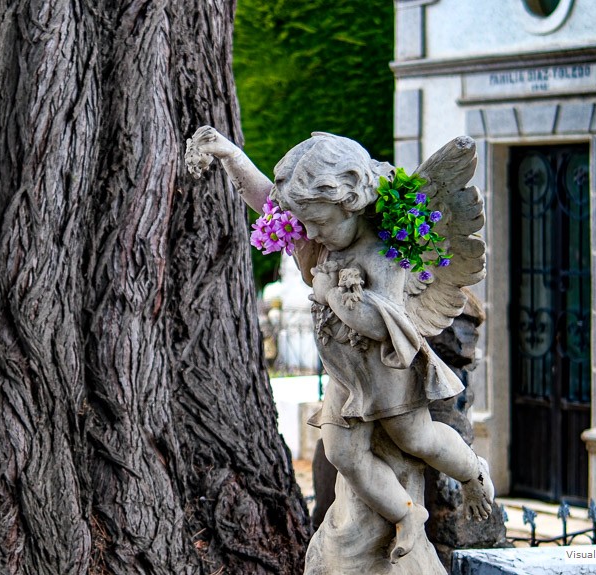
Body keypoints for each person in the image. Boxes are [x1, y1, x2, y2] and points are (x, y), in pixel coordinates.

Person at [185, 126, 494, 564]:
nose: (309, 233)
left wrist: (330, 294)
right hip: (346, 375)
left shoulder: (384, 252)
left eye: (319, 223)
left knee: (417, 438)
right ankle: (406, 513)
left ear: (352, 202)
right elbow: (267, 201)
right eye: (306, 222)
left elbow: (380, 324)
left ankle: (473, 473)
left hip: (387, 372)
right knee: (342, 453)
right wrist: (230, 155)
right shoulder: (326, 230)